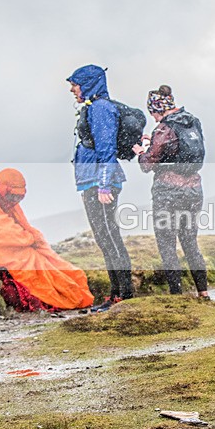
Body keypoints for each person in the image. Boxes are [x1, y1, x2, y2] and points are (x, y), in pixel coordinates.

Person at [0, 169, 94, 310]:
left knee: (39, 256)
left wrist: (31, 238)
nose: (15, 200)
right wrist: (28, 238)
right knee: (25, 257)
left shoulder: (2, 198)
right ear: (3, 187)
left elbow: (12, 226)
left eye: (18, 197)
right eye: (12, 195)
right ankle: (53, 295)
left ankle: (65, 288)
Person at [68, 65, 135, 312]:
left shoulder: (101, 109)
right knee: (103, 238)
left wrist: (104, 185)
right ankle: (116, 294)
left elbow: (106, 148)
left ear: (88, 83)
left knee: (110, 237)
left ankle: (124, 295)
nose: (72, 89)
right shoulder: (93, 107)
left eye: (75, 84)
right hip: (91, 181)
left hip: (101, 182)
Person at [132, 85, 209, 298]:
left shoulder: (163, 129)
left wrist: (140, 152)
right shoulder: (193, 121)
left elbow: (148, 164)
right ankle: (203, 292)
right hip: (194, 190)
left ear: (156, 109)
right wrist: (152, 143)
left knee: (167, 244)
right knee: (190, 242)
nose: (154, 118)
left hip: (168, 192)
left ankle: (177, 295)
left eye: (153, 113)